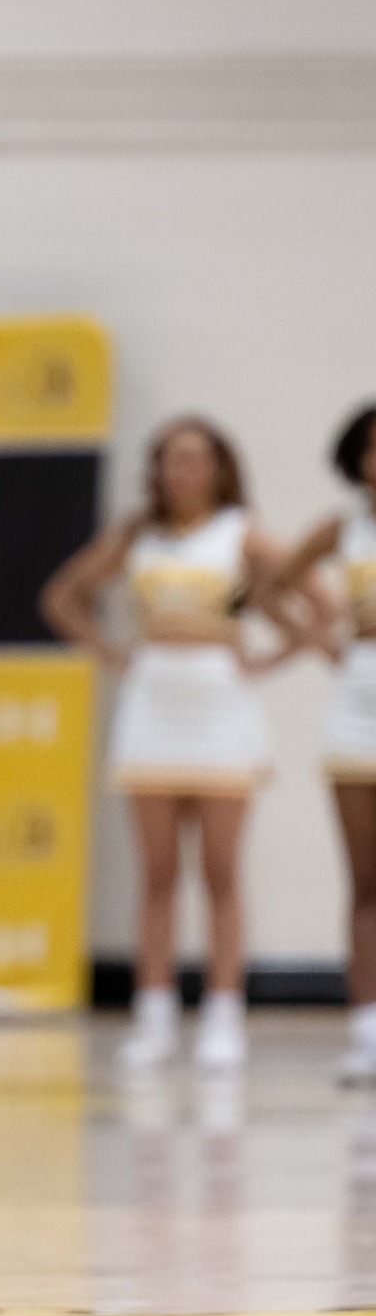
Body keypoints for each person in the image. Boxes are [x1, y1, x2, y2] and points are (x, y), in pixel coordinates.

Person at [43, 418, 313, 1071]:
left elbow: (320, 603)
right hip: (152, 705)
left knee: (221, 872)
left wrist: (267, 658)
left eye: (195, 459)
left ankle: (224, 1013)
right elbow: (62, 597)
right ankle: (155, 1014)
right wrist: (112, 654)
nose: (181, 472)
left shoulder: (242, 532)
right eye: (169, 460)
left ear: (220, 467)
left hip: (222, 706)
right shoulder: (136, 535)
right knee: (158, 873)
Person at [264, 404, 376, 1081]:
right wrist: (320, 637)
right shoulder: (344, 527)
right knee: (366, 880)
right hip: (358, 702)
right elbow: (266, 589)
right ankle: (368, 1030)